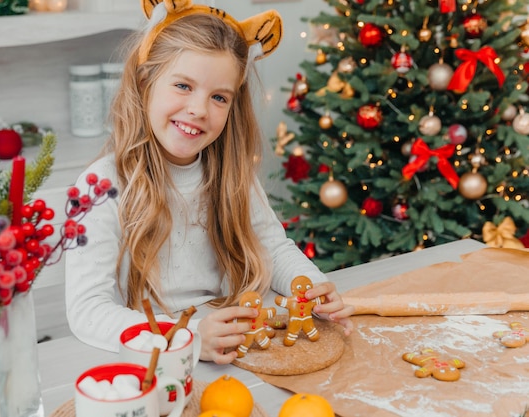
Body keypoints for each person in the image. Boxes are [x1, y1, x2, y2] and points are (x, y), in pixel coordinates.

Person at [65, 0, 354, 364]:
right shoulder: (101, 185)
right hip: (154, 361)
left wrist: (310, 288)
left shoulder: (232, 175)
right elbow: (88, 311)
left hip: (235, 348)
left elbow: (274, 250)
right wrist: (186, 338)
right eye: (183, 86)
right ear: (144, 81)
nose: (199, 109)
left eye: (219, 97)